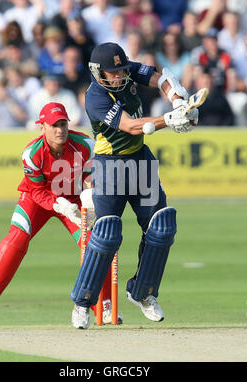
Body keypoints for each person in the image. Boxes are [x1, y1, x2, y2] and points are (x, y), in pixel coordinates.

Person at [70, 42, 199, 329]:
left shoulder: (126, 73)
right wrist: (170, 119)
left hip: (140, 159)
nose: (118, 77)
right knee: (106, 234)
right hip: (109, 165)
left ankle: (143, 293)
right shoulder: (95, 98)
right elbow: (131, 126)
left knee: (162, 226)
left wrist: (178, 101)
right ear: (97, 72)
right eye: (112, 73)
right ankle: (83, 303)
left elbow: (160, 77)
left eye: (120, 70)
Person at [0, 102, 119, 326]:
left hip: (74, 200)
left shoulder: (86, 145)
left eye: (63, 124)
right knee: (15, 240)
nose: (60, 130)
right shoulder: (32, 153)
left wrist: (92, 196)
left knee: (97, 244)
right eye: (54, 125)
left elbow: (93, 177)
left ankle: (104, 307)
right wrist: (58, 204)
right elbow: (37, 191)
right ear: (42, 128)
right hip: (36, 201)